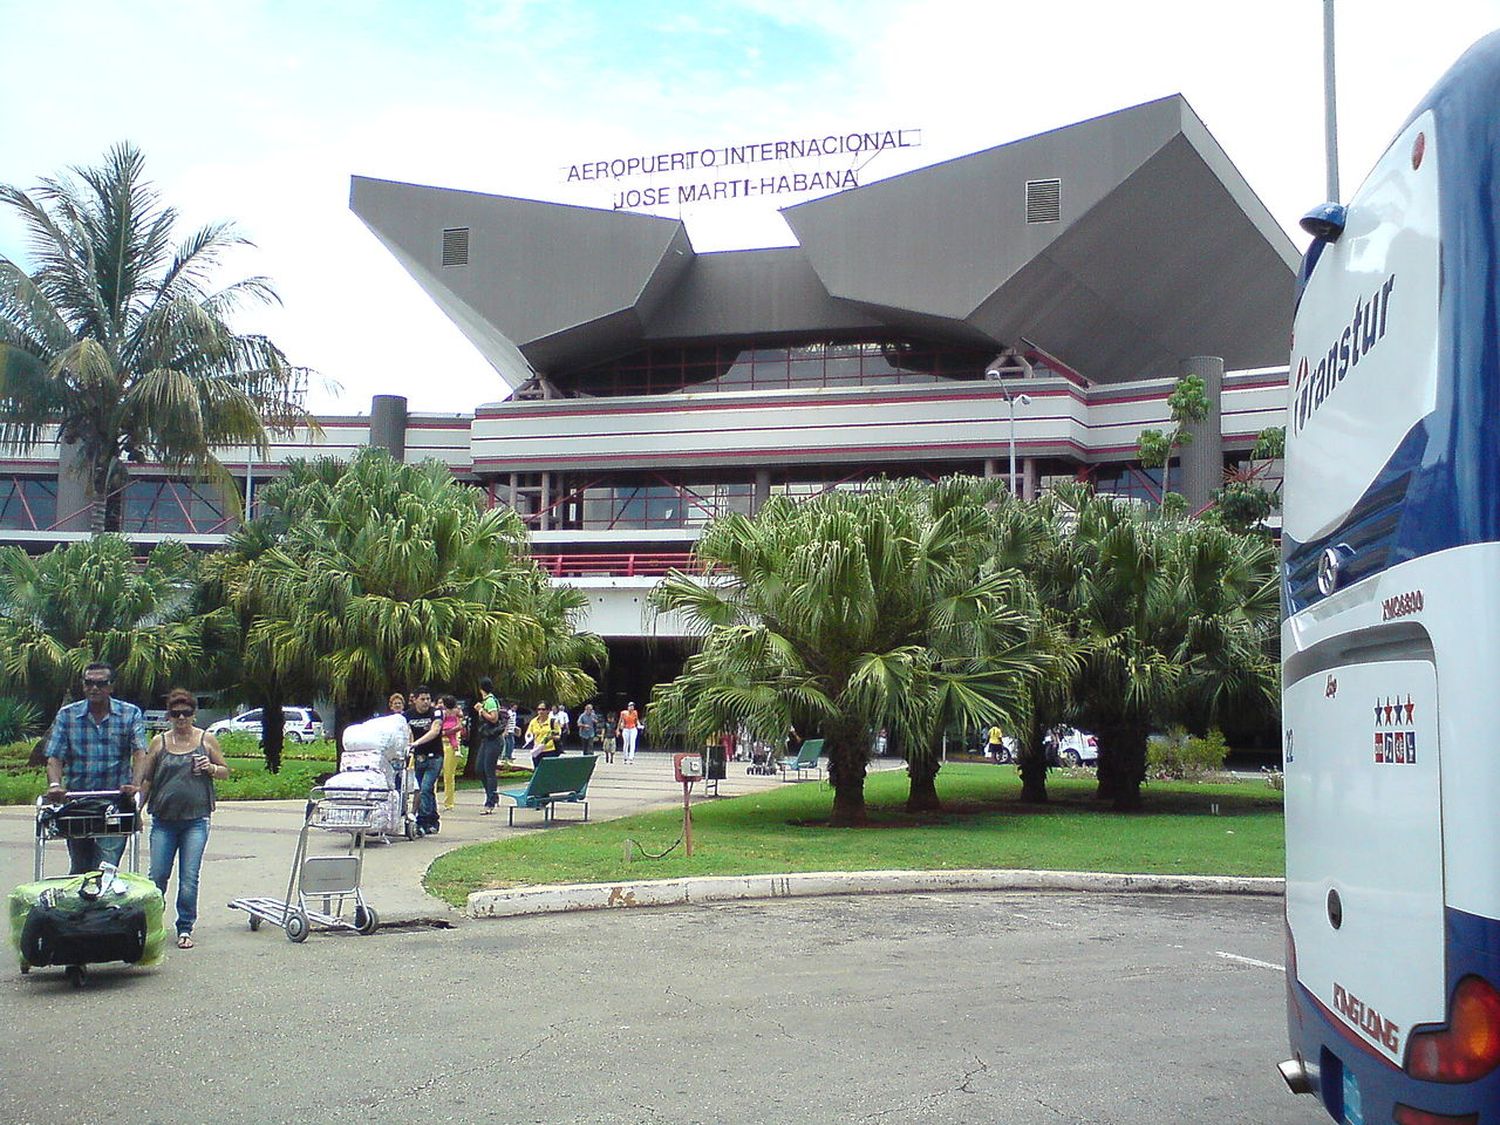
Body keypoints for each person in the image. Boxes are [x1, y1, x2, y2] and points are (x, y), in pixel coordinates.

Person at [135, 688, 230, 949]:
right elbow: (147, 780)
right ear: (169, 716)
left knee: (189, 877)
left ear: (193, 714)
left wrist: (210, 768)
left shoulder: (206, 740)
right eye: (175, 714)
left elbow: (225, 772)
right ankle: (151, 924)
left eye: (185, 713)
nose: (181, 719)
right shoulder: (159, 742)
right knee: (158, 876)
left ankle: (185, 926)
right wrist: (137, 811)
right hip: (164, 820)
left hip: (196, 820)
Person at [43, 662, 148, 874]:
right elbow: (55, 757)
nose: (94, 688)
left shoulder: (129, 714)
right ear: (83, 686)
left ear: (111, 687)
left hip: (114, 802)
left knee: (105, 866)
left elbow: (139, 752)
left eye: (101, 684)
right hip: (78, 803)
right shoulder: (68, 715)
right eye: (89, 683)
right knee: (80, 866)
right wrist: (55, 784)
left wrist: (136, 784)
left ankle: (102, 901)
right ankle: (82, 904)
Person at [405, 686, 445, 836]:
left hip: (435, 756)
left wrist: (416, 743)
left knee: (425, 788)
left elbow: (435, 730)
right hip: (419, 758)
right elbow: (406, 732)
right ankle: (433, 820)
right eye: (422, 699)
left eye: (428, 699)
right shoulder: (408, 715)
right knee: (423, 790)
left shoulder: (436, 712)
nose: (426, 702)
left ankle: (423, 821)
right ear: (414, 700)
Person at [474, 679, 504, 815]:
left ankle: (490, 801)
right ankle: (492, 794)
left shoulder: (490, 701)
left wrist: (481, 710)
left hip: (494, 739)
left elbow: (494, 718)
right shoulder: (486, 701)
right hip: (486, 739)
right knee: (479, 768)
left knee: (489, 770)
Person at [439, 694, 462, 811]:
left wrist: (448, 731)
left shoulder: (454, 713)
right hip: (440, 743)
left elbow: (459, 726)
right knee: (434, 775)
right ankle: (432, 801)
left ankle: (449, 803)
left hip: (450, 744)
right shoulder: (440, 714)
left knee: (449, 775)